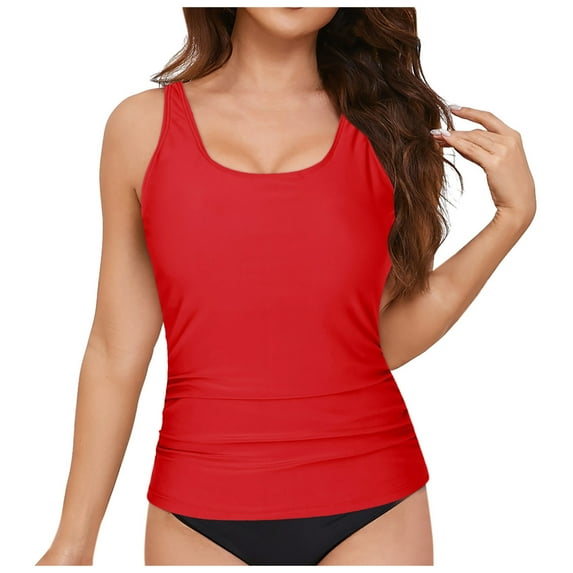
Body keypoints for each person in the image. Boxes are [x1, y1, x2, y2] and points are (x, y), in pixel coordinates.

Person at [35, 7, 536, 566]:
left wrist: (510, 219)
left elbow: (380, 339)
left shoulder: (391, 129)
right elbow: (115, 351)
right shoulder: (141, 127)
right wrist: (72, 544)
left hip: (374, 502)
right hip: (197, 505)